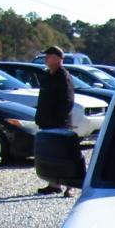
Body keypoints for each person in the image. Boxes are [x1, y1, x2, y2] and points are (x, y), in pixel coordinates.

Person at [34, 45, 78, 196]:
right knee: (50, 155)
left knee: (65, 155)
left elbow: (68, 102)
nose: (46, 58)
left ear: (58, 59)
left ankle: (70, 186)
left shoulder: (64, 77)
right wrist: (39, 118)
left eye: (49, 56)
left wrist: (58, 121)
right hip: (47, 123)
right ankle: (54, 184)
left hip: (60, 124)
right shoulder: (47, 75)